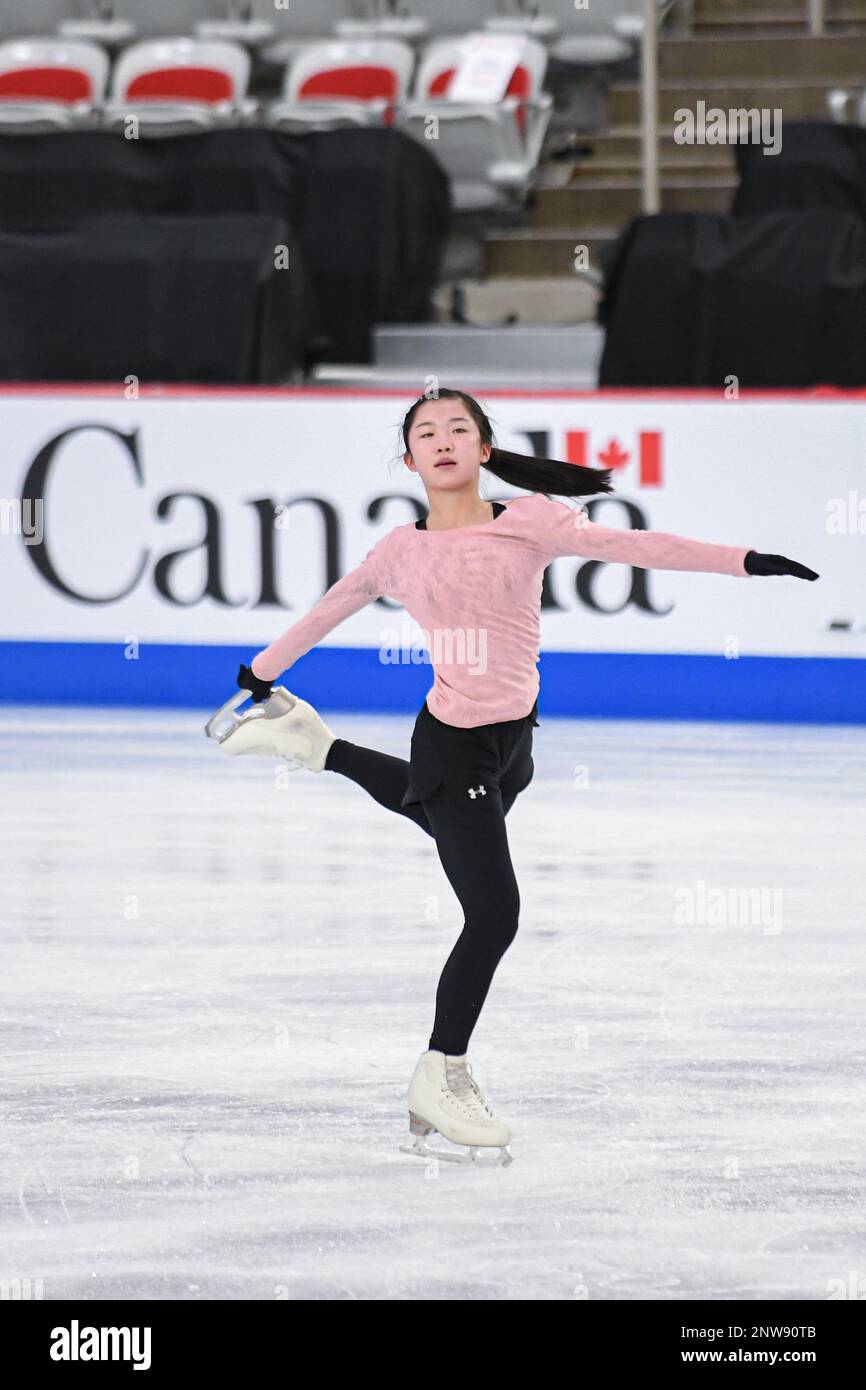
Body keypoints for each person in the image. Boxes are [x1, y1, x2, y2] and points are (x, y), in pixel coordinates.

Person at [221, 388, 819, 1165]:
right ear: (409, 460)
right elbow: (332, 607)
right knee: (494, 913)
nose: (442, 440)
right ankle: (441, 1072)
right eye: (426, 433)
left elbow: (639, 547)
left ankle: (317, 747)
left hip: (515, 745)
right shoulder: (401, 550)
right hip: (454, 742)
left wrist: (743, 561)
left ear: (484, 449)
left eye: (458, 429)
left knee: (440, 815)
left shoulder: (532, 520)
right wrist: (263, 670)